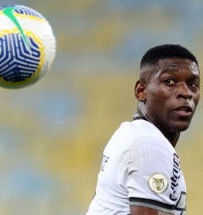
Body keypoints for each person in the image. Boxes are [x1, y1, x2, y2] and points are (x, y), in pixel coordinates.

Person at [86, 44, 200, 215]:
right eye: (169, 81)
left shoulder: (130, 134)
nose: (186, 93)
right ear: (141, 91)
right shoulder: (150, 144)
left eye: (193, 84)